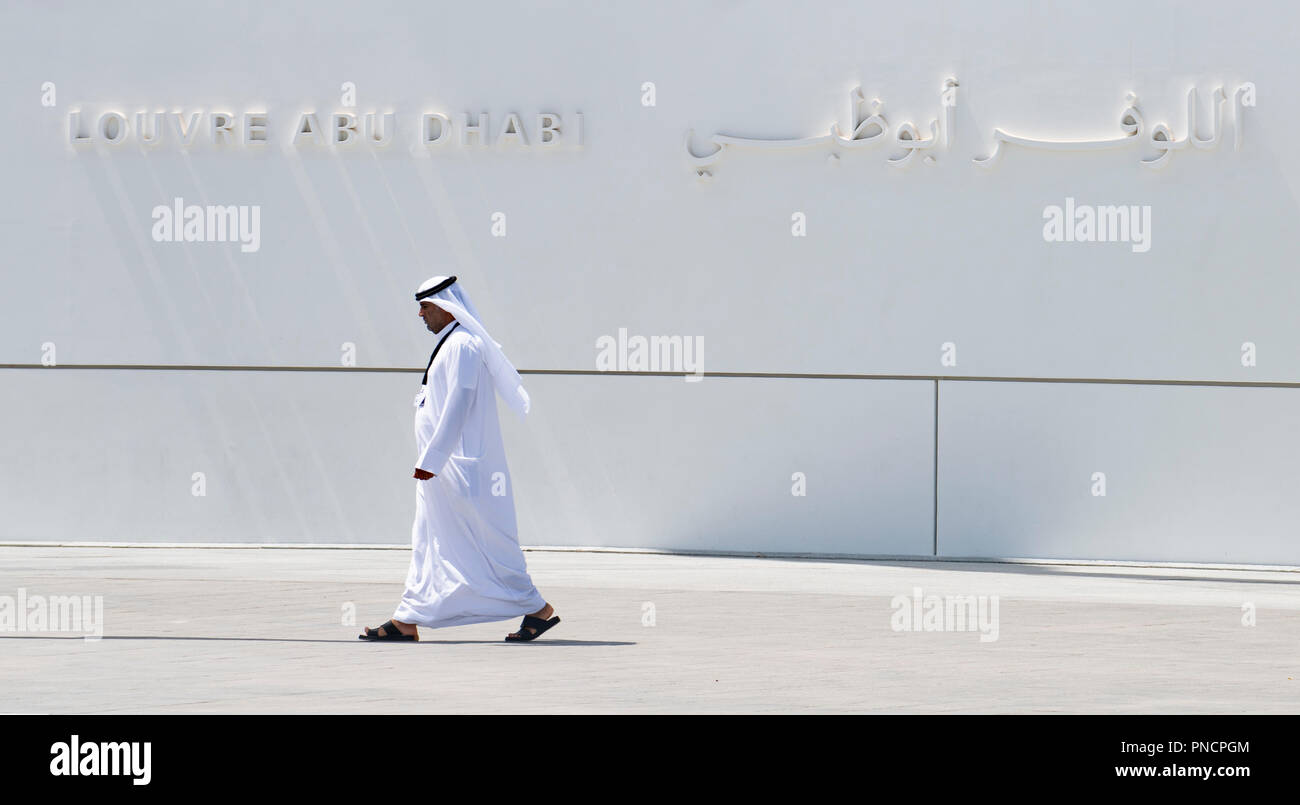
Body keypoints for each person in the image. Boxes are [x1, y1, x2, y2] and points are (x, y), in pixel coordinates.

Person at [360, 275, 560, 643]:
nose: (420, 314)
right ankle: (407, 618)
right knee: (428, 541)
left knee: (488, 545)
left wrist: (433, 458)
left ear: (446, 307)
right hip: (443, 470)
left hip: (458, 468)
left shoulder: (464, 345)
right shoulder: (452, 344)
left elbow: (460, 401)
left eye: (425, 306)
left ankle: (536, 607)